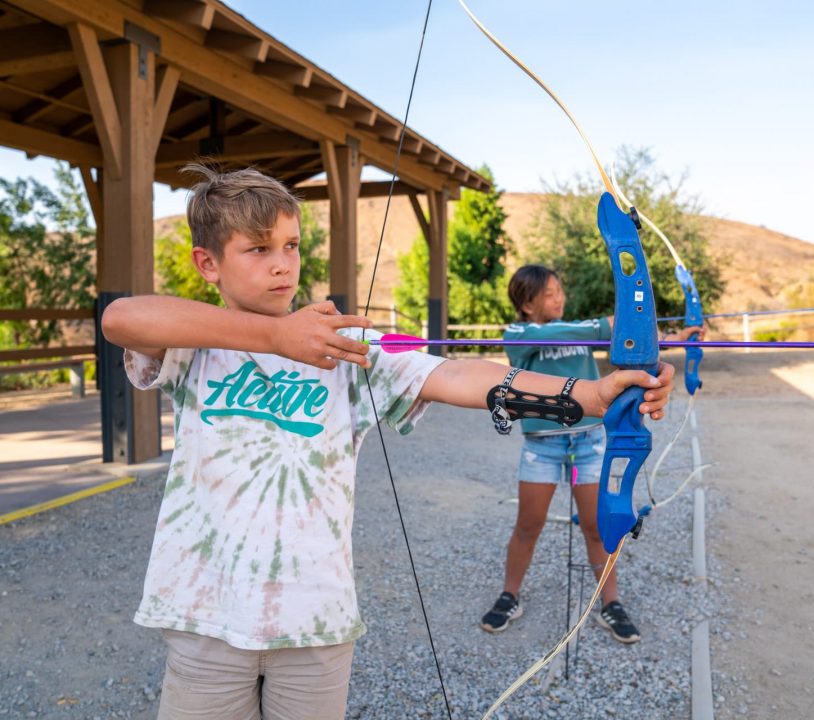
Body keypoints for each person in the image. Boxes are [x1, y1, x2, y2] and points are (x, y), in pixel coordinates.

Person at [101, 166, 676, 720]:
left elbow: (455, 377)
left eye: (292, 246)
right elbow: (123, 318)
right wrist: (275, 335)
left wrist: (592, 395)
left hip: (314, 620)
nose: (283, 265)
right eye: (258, 249)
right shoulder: (194, 345)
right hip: (206, 617)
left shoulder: (344, 345)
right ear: (208, 263)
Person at [480, 264, 702, 644]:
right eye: (549, 294)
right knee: (528, 524)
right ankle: (509, 594)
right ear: (527, 303)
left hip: (588, 444)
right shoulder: (518, 334)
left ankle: (610, 603)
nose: (559, 298)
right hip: (542, 447)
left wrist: (677, 336)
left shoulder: (580, 330)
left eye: (559, 290)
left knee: (597, 526)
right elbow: (584, 330)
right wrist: (606, 324)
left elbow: (632, 341)